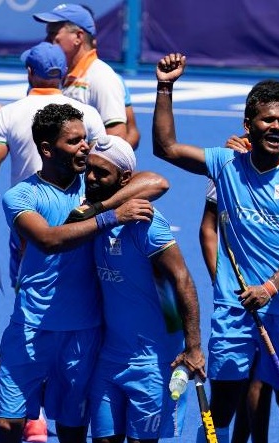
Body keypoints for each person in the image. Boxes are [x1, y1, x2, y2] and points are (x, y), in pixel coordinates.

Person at [154, 53, 279, 443]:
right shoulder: (224, 165)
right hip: (235, 311)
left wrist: (270, 288)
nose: (276, 127)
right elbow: (166, 147)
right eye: (267, 120)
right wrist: (165, 86)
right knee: (221, 408)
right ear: (248, 125)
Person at [0, 103, 154, 443]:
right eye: (74, 141)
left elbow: (156, 181)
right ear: (47, 149)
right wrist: (111, 217)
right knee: (8, 426)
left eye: (85, 139)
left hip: (83, 331)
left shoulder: (94, 186)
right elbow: (48, 240)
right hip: (31, 327)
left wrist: (98, 207)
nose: (85, 147)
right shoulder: (20, 196)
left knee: (72, 430)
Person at [85, 135, 204, 442]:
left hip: (152, 363)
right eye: (89, 169)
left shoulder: (147, 223)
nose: (91, 177)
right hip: (108, 357)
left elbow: (182, 279)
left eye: (101, 172)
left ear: (125, 178)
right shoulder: (91, 216)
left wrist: (193, 347)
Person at [198, 79, 279, 443]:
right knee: (236, 391)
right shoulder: (230, 164)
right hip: (241, 301)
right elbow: (208, 228)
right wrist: (223, 280)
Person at [0, 41, 106, 287]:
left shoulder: (8, 115)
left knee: (28, 291)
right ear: (64, 73)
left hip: (29, 219)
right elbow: (103, 165)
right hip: (80, 215)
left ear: (30, 72)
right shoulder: (88, 115)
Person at [33, 3, 134, 145]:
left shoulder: (102, 78)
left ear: (78, 37)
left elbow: (116, 139)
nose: (46, 41)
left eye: (53, 34)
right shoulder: (60, 74)